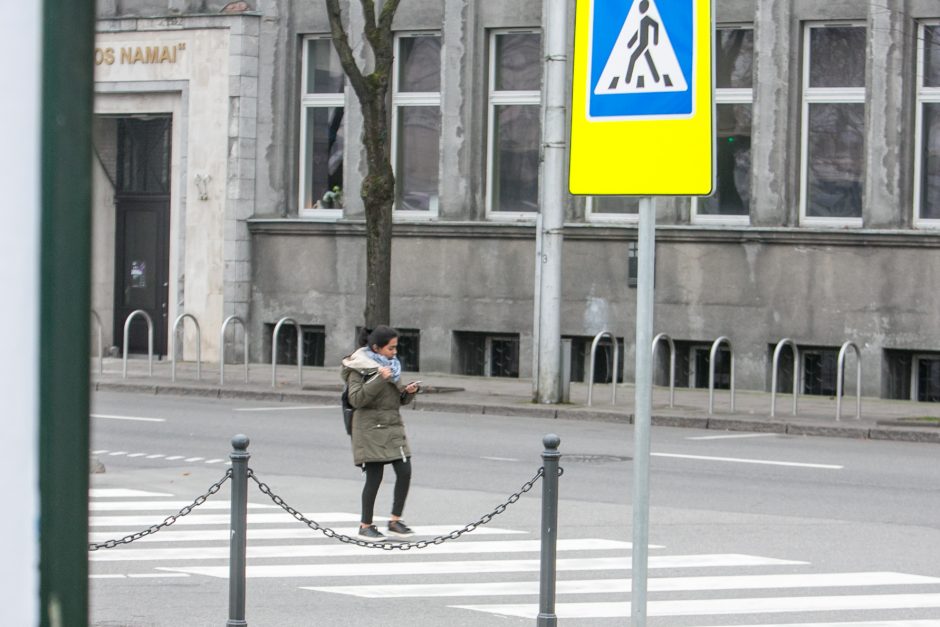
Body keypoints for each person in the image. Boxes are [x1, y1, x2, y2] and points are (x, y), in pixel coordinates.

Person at [340, 325, 420, 540]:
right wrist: (378, 379)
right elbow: (356, 399)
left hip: (392, 425)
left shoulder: (392, 366)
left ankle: (395, 520)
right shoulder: (358, 367)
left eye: (396, 348)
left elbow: (395, 399)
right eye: (390, 349)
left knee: (405, 471)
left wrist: (408, 393)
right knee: (374, 477)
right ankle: (365, 525)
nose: (395, 353)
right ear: (376, 348)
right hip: (369, 427)